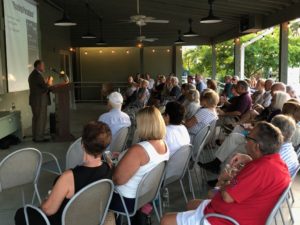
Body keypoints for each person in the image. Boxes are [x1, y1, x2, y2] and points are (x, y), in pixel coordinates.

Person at [161, 122, 290, 225]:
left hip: (226, 219)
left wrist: (224, 180)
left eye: (248, 136)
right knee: (191, 204)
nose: (246, 140)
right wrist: (248, 160)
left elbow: (227, 196)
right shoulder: (277, 163)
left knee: (166, 220)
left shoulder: (260, 169)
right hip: (241, 213)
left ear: (256, 146)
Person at [15, 121, 113, 225]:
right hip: (92, 219)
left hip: (66, 221)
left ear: (82, 145)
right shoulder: (108, 168)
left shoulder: (69, 177)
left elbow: (48, 210)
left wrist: (45, 200)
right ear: (105, 147)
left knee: (22, 213)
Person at [110, 106, 169, 225]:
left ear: (144, 125)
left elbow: (117, 180)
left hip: (126, 200)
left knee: (95, 192)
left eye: (137, 123)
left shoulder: (139, 150)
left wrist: (110, 165)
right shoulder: (164, 145)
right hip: (145, 196)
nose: (136, 126)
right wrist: (123, 156)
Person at [28, 60, 52, 142]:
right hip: (39, 101)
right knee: (40, 119)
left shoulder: (34, 74)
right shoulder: (36, 75)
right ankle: (39, 138)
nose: (44, 67)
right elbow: (44, 88)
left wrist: (45, 83)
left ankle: (36, 137)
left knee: (36, 118)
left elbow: (39, 86)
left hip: (36, 100)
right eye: (42, 65)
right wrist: (49, 83)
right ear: (38, 66)